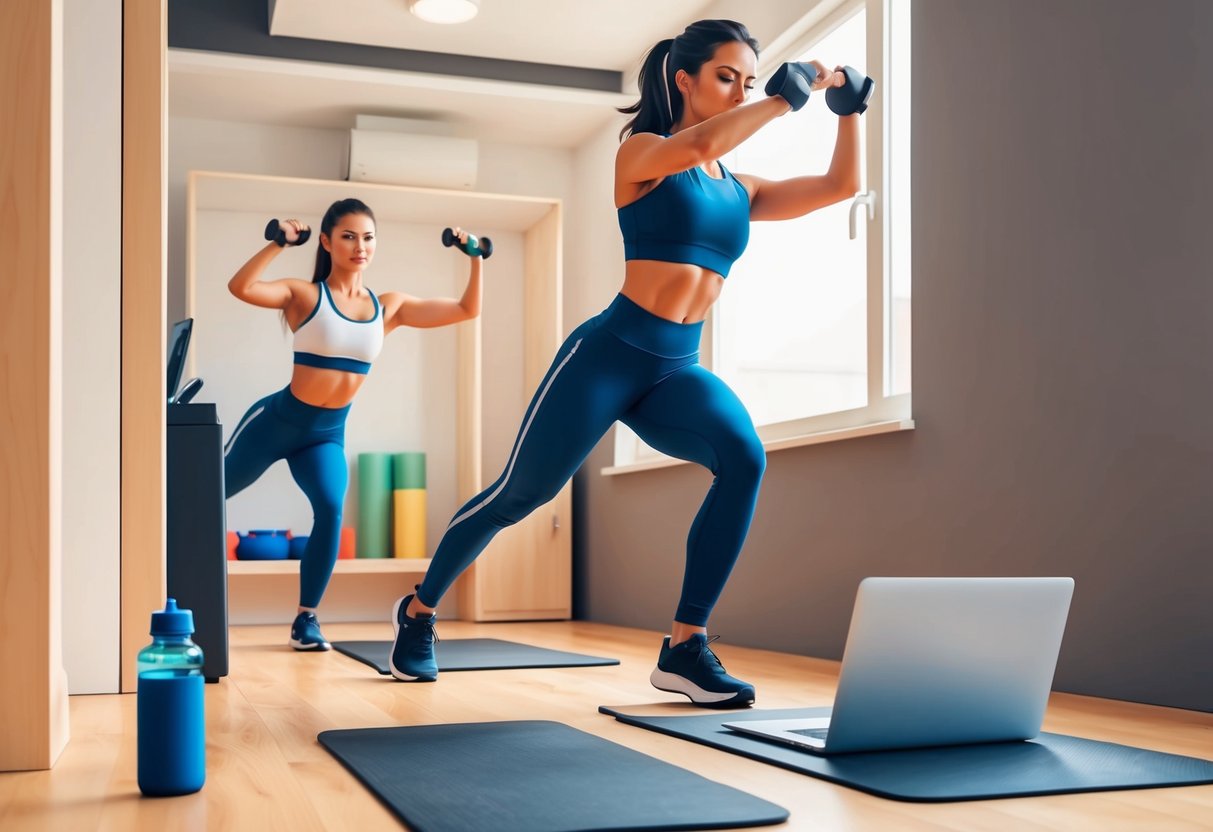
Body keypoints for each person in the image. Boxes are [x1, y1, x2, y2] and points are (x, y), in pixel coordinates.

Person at [389, 19, 861, 707]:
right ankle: (419, 611)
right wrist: (782, 100)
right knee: (521, 495)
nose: (740, 92)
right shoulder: (642, 154)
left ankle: (685, 647)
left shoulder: (742, 190)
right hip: (607, 355)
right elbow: (699, 144)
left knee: (744, 458)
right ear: (684, 80)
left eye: (749, 81)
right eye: (726, 77)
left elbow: (840, 186)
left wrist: (850, 111)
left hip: (675, 368)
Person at [224, 198, 485, 650]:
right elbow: (241, 287)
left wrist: (476, 259)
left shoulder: (388, 308)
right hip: (275, 423)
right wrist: (278, 243)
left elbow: (466, 309)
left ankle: (306, 620)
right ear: (326, 242)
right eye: (348, 236)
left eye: (367, 237)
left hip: (324, 436)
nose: (359, 246)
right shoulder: (305, 295)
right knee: (204, 497)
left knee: (331, 509)